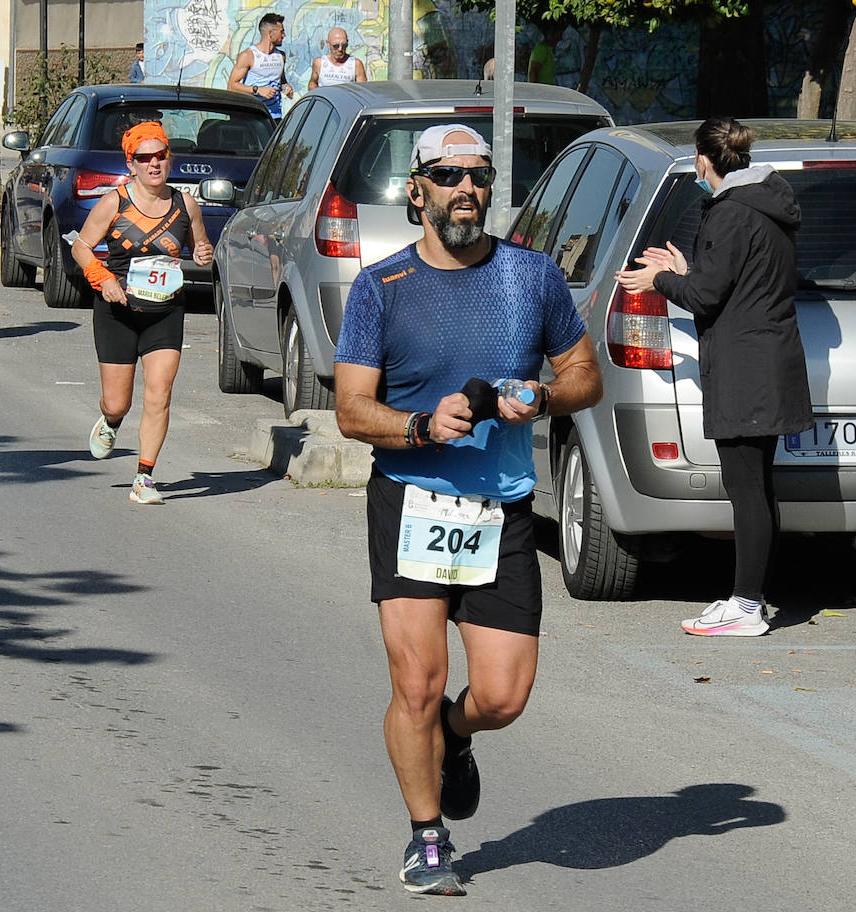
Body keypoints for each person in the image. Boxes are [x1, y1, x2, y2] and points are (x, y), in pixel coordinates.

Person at [333, 124, 602, 895]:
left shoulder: (532, 276)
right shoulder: (381, 287)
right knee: (418, 684)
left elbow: (586, 375)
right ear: (416, 188)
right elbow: (351, 409)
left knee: (504, 697)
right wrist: (422, 426)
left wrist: (543, 396)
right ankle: (428, 839)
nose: (466, 189)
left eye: (479, 176)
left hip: (501, 510)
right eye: (449, 175)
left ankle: (454, 736)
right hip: (412, 501)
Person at [615, 117, 812, 637]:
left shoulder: (730, 212)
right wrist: (685, 271)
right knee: (757, 487)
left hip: (745, 368)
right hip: (767, 361)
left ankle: (746, 606)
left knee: (746, 489)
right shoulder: (768, 203)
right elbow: (731, 282)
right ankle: (751, 598)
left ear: (704, 160)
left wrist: (660, 278)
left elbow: (705, 297)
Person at [72, 121, 213, 505]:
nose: (154, 164)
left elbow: (200, 247)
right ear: (131, 164)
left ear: (169, 159)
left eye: (160, 156)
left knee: (159, 393)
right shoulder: (114, 202)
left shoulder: (185, 204)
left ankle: (144, 477)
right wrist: (102, 278)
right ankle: (111, 420)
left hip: (165, 310)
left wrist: (204, 253)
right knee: (118, 402)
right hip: (117, 310)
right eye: (144, 158)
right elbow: (81, 247)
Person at [227, 12, 292, 119]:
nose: (284, 35)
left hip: (274, 116)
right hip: (251, 115)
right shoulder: (248, 55)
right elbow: (232, 86)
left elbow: (281, 82)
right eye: (282, 32)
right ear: (270, 33)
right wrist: (257, 90)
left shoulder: (281, 56)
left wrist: (286, 89)